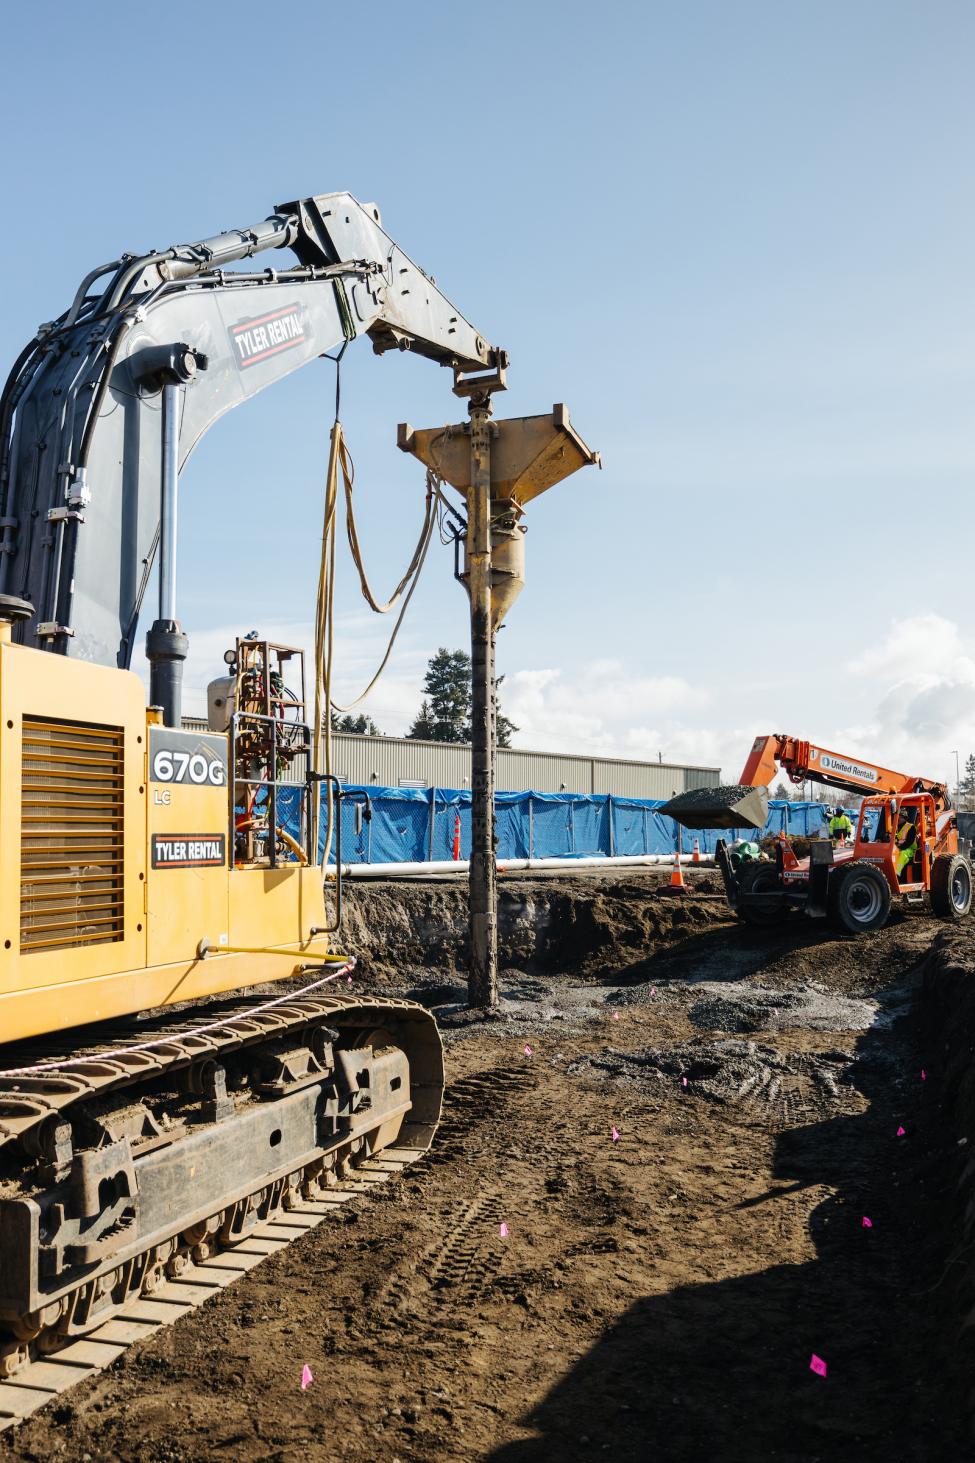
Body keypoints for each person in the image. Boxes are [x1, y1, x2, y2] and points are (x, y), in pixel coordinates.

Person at [895, 808, 919, 880]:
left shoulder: (911, 827)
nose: (896, 819)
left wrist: (900, 848)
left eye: (898, 817)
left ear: (903, 818)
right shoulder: (894, 827)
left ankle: (896, 873)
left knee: (902, 854)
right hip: (897, 847)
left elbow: (910, 841)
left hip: (910, 850)